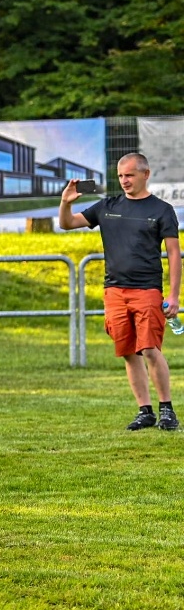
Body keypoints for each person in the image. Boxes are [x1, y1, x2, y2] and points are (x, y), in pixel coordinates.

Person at [60, 153, 183, 430]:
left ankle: (167, 410)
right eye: (120, 176)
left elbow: (174, 254)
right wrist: (65, 203)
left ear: (145, 175)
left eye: (130, 175)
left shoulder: (162, 210)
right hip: (114, 291)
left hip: (147, 290)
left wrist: (174, 295)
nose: (124, 181)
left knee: (149, 349)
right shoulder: (107, 206)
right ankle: (145, 411)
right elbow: (66, 224)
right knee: (128, 352)